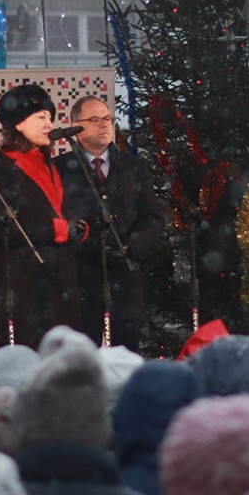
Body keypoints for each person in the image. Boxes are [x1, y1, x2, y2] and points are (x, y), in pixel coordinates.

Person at [0, 84, 88, 350]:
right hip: (23, 283)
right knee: (29, 355)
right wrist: (59, 229)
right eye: (41, 117)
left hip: (61, 278)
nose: (49, 124)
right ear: (18, 124)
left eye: (50, 117)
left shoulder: (51, 164)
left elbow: (63, 207)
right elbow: (0, 230)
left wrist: (80, 227)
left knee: (64, 356)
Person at [54, 96, 166, 352]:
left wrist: (129, 247)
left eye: (107, 118)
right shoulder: (60, 168)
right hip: (81, 278)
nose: (104, 124)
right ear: (76, 126)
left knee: (125, 354)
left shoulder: (133, 166)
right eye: (94, 119)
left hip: (125, 278)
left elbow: (153, 217)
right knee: (81, 357)